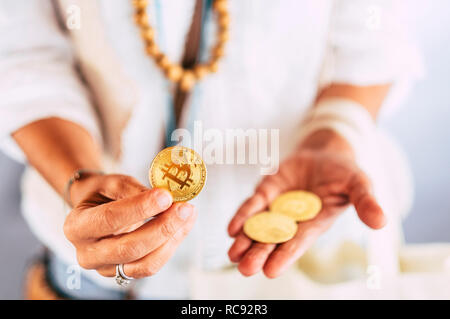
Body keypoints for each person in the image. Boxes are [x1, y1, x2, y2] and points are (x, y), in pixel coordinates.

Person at [0, 0, 421, 299]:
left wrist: (333, 132)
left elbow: (374, 40)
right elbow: (22, 55)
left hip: (302, 257)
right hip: (93, 267)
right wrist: (80, 179)